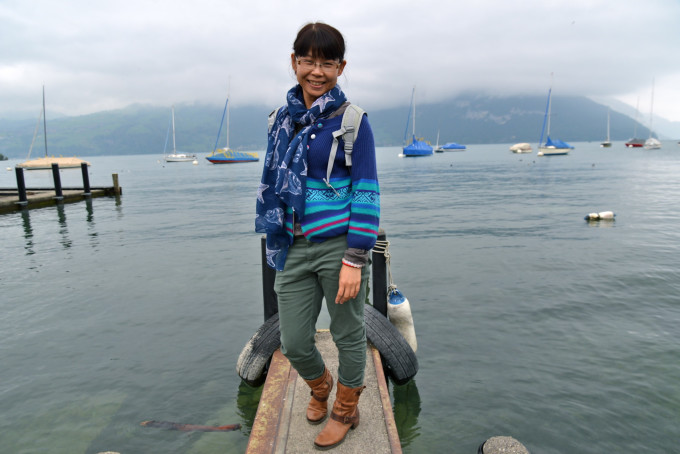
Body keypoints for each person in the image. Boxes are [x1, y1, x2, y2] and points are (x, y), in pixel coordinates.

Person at [255, 22, 380, 450]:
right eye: (308, 60)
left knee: (348, 334)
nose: (316, 71)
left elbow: (366, 192)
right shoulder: (280, 120)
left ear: (341, 67)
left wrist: (355, 259)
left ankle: (346, 407)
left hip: (337, 247)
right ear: (294, 62)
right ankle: (321, 386)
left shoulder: (353, 121)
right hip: (291, 245)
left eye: (327, 62)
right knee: (292, 341)